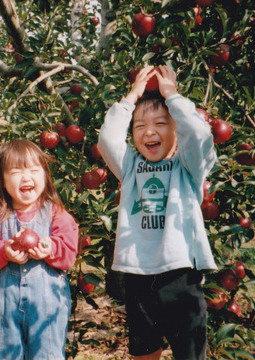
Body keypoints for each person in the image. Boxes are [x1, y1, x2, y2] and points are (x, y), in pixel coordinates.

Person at [98, 65, 218, 359]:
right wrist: (131, 97)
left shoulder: (188, 168)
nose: (149, 131)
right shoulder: (129, 167)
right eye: (139, 126)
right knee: (144, 351)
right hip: (138, 275)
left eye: (161, 123)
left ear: (176, 129)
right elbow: (107, 139)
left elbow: (200, 135)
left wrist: (173, 97)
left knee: (189, 353)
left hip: (181, 275)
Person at [0, 139, 79, 360]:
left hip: (47, 310)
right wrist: (3, 250)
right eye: (16, 171)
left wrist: (49, 248)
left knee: (47, 354)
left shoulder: (56, 213)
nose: (26, 177)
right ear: (2, 179)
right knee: (2, 353)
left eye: (34, 170)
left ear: (45, 176)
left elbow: (68, 250)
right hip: (2, 307)